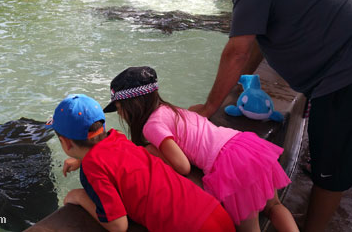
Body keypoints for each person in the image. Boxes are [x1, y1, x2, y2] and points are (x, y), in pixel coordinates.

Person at [190, 0, 352, 231]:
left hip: (344, 73)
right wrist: (240, 84)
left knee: (331, 167)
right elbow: (255, 45)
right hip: (340, 64)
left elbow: (237, 51)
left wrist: (210, 107)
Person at [103, 66, 298, 232]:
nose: (120, 112)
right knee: (274, 206)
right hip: (243, 145)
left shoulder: (151, 127)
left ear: (132, 105)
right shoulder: (174, 110)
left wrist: (152, 152)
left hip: (228, 164)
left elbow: (183, 167)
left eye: (119, 107)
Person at [46, 94, 235, 232]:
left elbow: (118, 225)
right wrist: (81, 160)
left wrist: (79, 197)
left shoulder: (92, 168)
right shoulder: (118, 139)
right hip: (216, 213)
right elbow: (114, 159)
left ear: (66, 142)